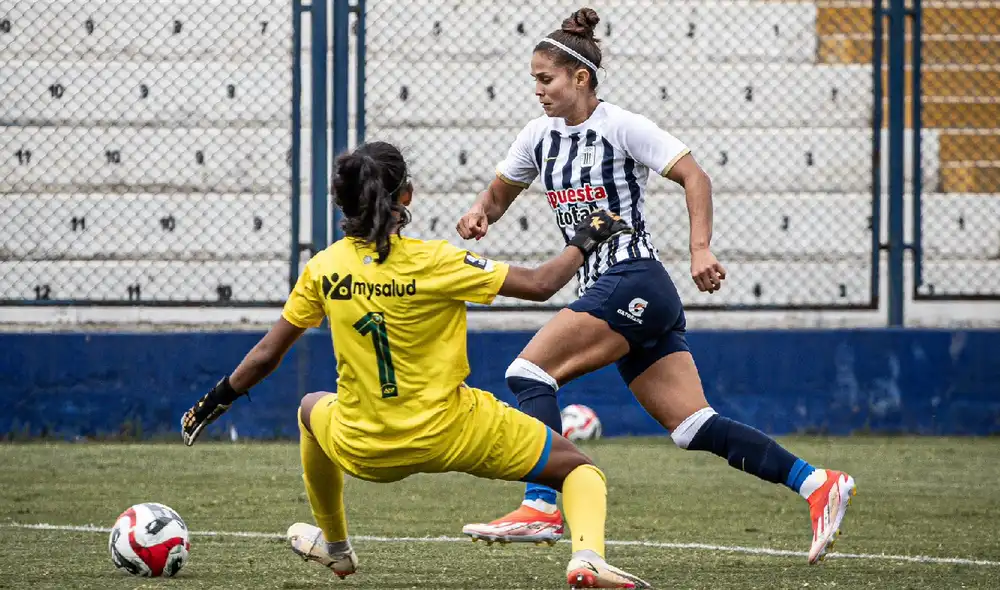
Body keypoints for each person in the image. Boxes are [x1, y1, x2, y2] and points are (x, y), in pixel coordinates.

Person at [457, 7, 857, 564]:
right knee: (693, 425)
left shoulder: (621, 125)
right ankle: (817, 483)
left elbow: (694, 174)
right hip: (623, 291)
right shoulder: (536, 137)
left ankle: (543, 504)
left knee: (529, 371)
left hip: (632, 278)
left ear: (580, 78)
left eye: (545, 80)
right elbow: (498, 197)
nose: (538, 91)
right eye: (533, 81)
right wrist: (480, 212)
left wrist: (700, 249)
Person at [180, 141, 651, 589]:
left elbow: (266, 355)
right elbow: (542, 283)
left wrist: (214, 401)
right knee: (579, 471)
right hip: (454, 431)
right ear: (406, 195)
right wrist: (589, 234)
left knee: (309, 407)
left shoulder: (323, 269)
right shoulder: (436, 261)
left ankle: (337, 547)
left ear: (342, 204)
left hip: (364, 445)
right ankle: (587, 557)